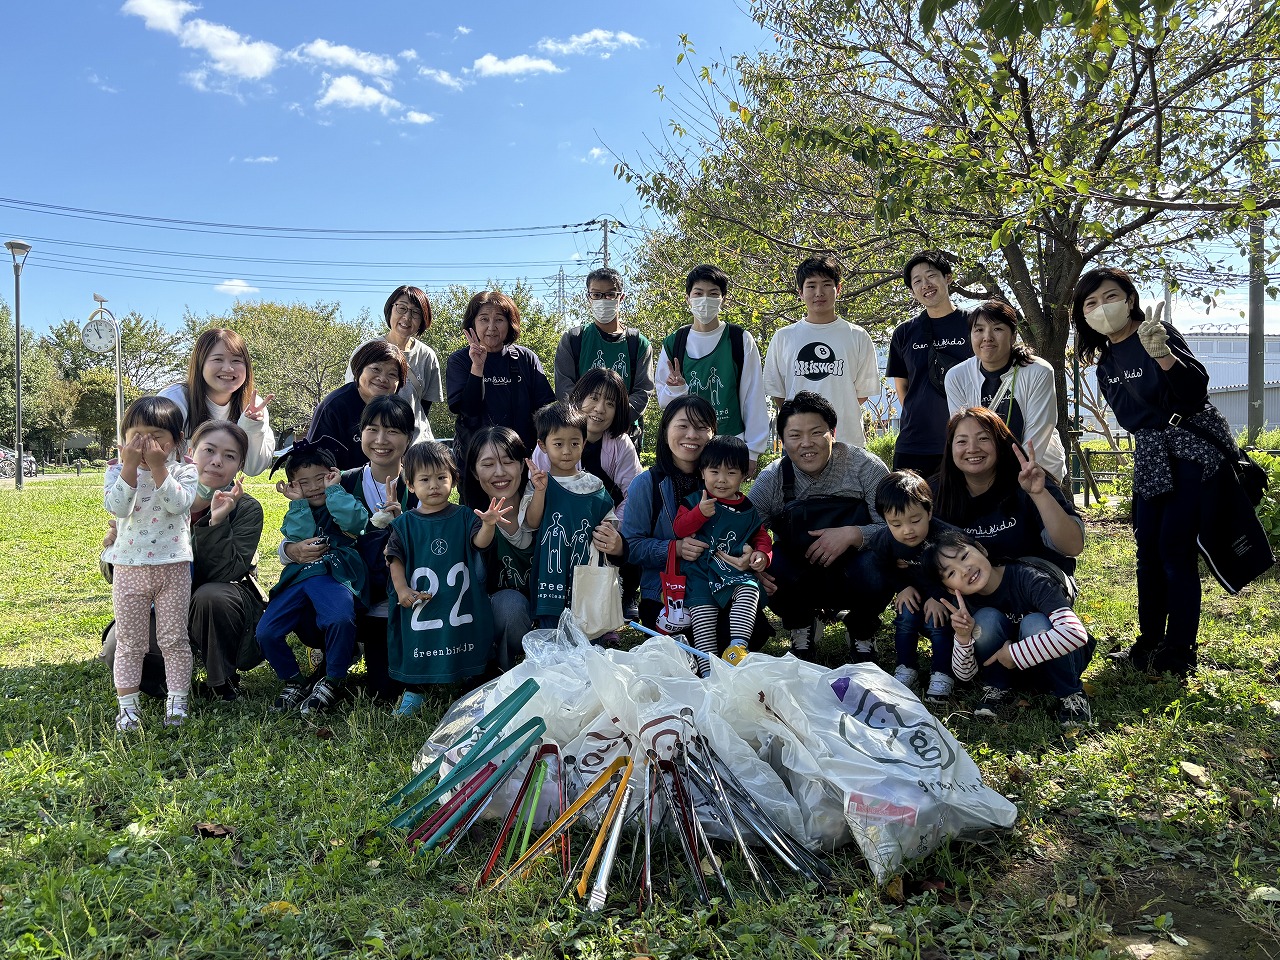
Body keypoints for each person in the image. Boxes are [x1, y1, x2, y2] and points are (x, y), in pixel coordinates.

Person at [1073, 266, 1225, 678]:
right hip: (1152, 455)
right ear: (1082, 315)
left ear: (1129, 297)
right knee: (1147, 552)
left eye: (1109, 297)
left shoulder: (1158, 333)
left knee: (1175, 550)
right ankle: (1148, 641)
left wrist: (1163, 356)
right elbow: (1129, 416)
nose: (1101, 308)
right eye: (1090, 303)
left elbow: (1194, 394)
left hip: (1189, 450)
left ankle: (1179, 649)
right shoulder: (1105, 362)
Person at [98, 420, 267, 704]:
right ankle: (170, 685)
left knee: (212, 596)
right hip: (158, 600)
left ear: (239, 465)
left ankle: (221, 679)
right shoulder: (147, 494)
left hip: (213, 604)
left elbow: (227, 572)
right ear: (190, 451)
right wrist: (115, 550)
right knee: (118, 646)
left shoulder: (246, 507)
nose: (216, 462)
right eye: (209, 450)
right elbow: (117, 576)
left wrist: (215, 523)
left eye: (229, 456)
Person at [746, 391, 890, 661]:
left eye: (816, 432)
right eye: (795, 435)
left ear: (832, 432)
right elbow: (745, 528)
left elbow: (896, 529)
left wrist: (853, 534)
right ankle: (802, 626)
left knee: (878, 567)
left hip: (856, 570)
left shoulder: (866, 468)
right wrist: (753, 562)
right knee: (772, 564)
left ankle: (862, 629)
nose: (806, 444)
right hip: (800, 575)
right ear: (782, 440)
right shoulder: (772, 478)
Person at [928, 529, 1095, 727]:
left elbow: (1074, 634)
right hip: (1015, 674)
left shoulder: (1030, 578)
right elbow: (965, 675)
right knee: (985, 619)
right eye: (951, 573)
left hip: (1057, 665)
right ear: (948, 588)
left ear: (981, 548)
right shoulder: (963, 606)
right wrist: (963, 637)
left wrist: (1013, 654)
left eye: (964, 556)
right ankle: (998, 687)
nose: (965, 570)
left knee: (1034, 622)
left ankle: (1071, 693)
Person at [386, 441, 506, 712]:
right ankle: (415, 690)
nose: (434, 486)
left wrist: (488, 524)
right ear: (411, 484)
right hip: (420, 603)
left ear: (454, 479)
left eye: (441, 477)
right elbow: (395, 558)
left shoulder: (464, 516)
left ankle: (475, 680)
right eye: (425, 479)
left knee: (467, 640)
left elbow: (480, 543)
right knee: (420, 644)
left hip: (461, 604)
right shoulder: (404, 523)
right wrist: (402, 589)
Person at [102, 396, 198, 730]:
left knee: (174, 639)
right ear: (124, 438)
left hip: (173, 568)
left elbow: (179, 504)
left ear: (176, 440)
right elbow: (117, 507)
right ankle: (127, 707)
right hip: (129, 569)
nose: (145, 443)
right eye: (137, 435)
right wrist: (129, 468)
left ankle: (177, 702)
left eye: (156, 435)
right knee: (130, 642)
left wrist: (158, 469)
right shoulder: (116, 471)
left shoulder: (184, 470)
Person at [256, 442, 369, 717]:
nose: (315, 487)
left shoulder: (341, 498)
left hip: (334, 574)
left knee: (340, 618)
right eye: (304, 483)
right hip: (300, 576)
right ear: (293, 485)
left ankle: (332, 678)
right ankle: (293, 679)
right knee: (266, 631)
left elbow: (356, 522)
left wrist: (334, 490)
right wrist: (297, 502)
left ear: (332, 473)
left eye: (320, 478)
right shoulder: (299, 507)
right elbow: (299, 534)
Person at [933, 407, 1084, 579]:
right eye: (962, 441)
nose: (972, 448)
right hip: (976, 589)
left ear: (1000, 443)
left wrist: (1039, 494)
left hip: (1040, 584)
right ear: (950, 447)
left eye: (983, 438)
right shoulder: (936, 491)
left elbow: (1072, 546)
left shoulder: (1029, 478)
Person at [336, 396, 415, 705]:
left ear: (409, 437)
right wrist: (290, 548)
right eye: (372, 429)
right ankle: (334, 651)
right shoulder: (342, 483)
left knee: (388, 691)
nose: (381, 440)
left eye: (393, 431)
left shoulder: (422, 485)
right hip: (356, 600)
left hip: (402, 602)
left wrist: (403, 524)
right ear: (361, 433)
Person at [671, 436, 772, 674]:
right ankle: (707, 671)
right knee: (703, 617)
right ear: (703, 472)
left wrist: (762, 554)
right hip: (701, 572)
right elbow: (679, 529)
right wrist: (699, 514)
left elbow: (761, 536)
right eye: (714, 471)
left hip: (735, 572)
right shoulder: (695, 500)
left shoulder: (747, 507)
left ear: (743, 476)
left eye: (731, 473)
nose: (722, 480)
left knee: (750, 589)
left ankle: (738, 647)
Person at [655, 264, 770, 473]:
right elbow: (665, 403)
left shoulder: (739, 339)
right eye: (698, 293)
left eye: (713, 293)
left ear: (723, 299)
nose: (705, 300)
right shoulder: (675, 342)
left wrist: (752, 452)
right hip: (688, 446)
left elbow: (753, 396)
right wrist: (677, 389)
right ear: (687, 298)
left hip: (727, 447)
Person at [521, 402, 624, 629]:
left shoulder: (595, 485)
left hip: (586, 574)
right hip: (551, 575)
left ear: (584, 443)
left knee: (587, 633)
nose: (567, 451)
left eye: (574, 443)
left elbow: (609, 521)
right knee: (552, 634)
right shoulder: (540, 483)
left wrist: (608, 532)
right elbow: (532, 522)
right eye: (558, 444)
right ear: (543, 445)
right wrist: (539, 491)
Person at [620, 395, 718, 631]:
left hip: (714, 588)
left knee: (748, 633)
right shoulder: (646, 484)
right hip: (664, 594)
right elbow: (631, 546)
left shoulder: (721, 483)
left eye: (701, 427)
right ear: (665, 432)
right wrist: (675, 549)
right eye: (682, 426)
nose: (692, 435)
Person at [762, 254, 880, 449]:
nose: (819, 292)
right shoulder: (783, 337)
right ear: (800, 292)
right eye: (811, 286)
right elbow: (779, 393)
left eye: (826, 284)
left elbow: (861, 393)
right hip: (799, 443)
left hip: (847, 439)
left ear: (838, 289)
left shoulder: (857, 335)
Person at [945, 300, 1065, 481]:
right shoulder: (956, 376)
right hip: (984, 476)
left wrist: (1013, 477)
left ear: (1013, 336)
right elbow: (962, 433)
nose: (987, 337)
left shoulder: (1038, 371)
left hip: (1036, 471)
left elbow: (1036, 438)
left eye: (997, 329)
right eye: (979, 330)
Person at [865, 470, 955, 702]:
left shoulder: (945, 537)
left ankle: (943, 673)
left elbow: (963, 568)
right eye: (896, 523)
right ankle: (906, 667)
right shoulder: (885, 539)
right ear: (885, 521)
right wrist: (902, 586)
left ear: (930, 511)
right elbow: (880, 563)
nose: (907, 530)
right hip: (911, 593)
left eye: (915, 520)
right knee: (905, 619)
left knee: (939, 625)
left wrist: (939, 596)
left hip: (943, 597)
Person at [886, 251, 973, 477]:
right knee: (909, 509)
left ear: (948, 277)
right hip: (914, 443)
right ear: (913, 290)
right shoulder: (904, 333)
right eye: (917, 281)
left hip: (965, 442)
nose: (925, 285)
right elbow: (902, 387)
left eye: (931, 276)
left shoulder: (974, 324)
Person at [446, 290, 556, 459]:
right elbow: (468, 410)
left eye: (499, 319)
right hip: (477, 462)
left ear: (510, 323)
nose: (491, 327)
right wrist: (477, 367)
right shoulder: (460, 360)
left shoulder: (525, 358)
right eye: (484, 319)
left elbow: (547, 410)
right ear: (473, 323)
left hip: (521, 459)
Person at [553, 267, 655, 448]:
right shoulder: (574, 339)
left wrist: (612, 418)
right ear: (588, 298)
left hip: (623, 436)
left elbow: (643, 391)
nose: (603, 300)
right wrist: (589, 420)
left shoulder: (638, 344)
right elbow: (564, 387)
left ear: (620, 297)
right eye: (596, 295)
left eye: (610, 295)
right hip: (579, 437)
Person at [462, 426, 535, 672]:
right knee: (510, 605)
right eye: (488, 464)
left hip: (549, 611)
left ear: (523, 465)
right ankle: (498, 665)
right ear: (473, 471)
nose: (500, 472)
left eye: (508, 461)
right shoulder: (467, 519)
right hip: (498, 614)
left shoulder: (543, 504)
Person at [159, 327, 276, 475]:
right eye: (218, 359)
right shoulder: (172, 401)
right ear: (200, 363)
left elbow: (252, 469)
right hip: (170, 489)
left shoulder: (253, 406)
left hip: (219, 489)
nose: (228, 368)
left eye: (236, 360)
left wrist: (252, 426)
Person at [346, 285, 443, 441]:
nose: (407, 317)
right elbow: (352, 397)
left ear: (423, 320)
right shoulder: (367, 350)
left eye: (416, 312)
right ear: (390, 309)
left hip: (415, 448)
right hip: (376, 444)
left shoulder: (427, 356)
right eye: (402, 308)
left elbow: (424, 407)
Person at [309, 340, 409, 471]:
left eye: (392, 374)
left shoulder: (398, 410)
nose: (383, 378)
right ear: (359, 369)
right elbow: (314, 459)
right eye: (376, 369)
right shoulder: (334, 406)